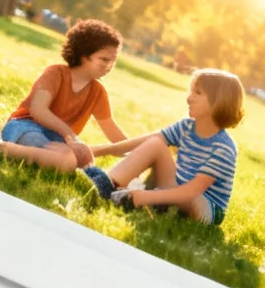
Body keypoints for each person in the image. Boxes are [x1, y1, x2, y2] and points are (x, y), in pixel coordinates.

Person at [0, 19, 129, 173]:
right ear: (84, 56)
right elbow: (38, 110)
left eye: (113, 62)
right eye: (104, 59)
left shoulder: (98, 93)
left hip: (59, 141)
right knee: (55, 155)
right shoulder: (56, 73)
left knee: (67, 160)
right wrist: (72, 137)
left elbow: (114, 135)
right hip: (26, 126)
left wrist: (142, 149)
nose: (109, 66)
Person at [82, 69, 244, 226]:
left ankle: (146, 199)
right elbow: (143, 142)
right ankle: (107, 185)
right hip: (176, 188)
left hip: (203, 207)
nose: (189, 98)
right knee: (155, 143)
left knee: (191, 197)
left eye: (198, 93)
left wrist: (145, 197)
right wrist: (95, 150)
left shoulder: (224, 147)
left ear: (219, 101)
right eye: (191, 91)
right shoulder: (186, 127)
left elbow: (193, 190)